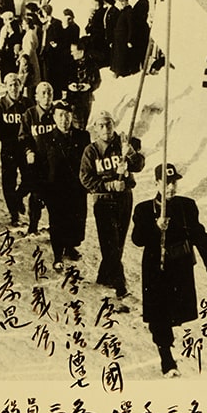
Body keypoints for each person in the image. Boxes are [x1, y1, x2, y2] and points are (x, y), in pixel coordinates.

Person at [131, 163, 207, 377]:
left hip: (180, 266)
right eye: (166, 182)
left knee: (175, 312)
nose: (171, 187)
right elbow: (137, 240)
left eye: (174, 182)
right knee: (158, 315)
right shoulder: (144, 209)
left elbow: (198, 233)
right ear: (156, 183)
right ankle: (166, 360)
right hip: (156, 269)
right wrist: (156, 226)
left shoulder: (186, 206)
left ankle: (167, 343)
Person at [79, 110, 145, 301]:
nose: (105, 128)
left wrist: (131, 154)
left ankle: (104, 277)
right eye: (101, 125)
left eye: (108, 124)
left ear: (114, 125)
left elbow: (139, 166)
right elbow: (85, 178)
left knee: (118, 242)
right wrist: (107, 185)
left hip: (124, 198)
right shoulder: (91, 151)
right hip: (103, 201)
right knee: (110, 244)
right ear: (95, 129)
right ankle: (120, 287)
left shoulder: (124, 144)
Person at [34, 99, 90, 270]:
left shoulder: (83, 136)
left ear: (72, 116)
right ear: (54, 118)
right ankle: (58, 254)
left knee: (77, 220)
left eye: (67, 115)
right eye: (60, 116)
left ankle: (70, 246)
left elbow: (89, 162)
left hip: (77, 188)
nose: (64, 120)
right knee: (57, 221)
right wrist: (40, 191)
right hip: (55, 188)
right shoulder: (45, 139)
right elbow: (40, 167)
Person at [0, 73, 31, 225]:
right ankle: (14, 213)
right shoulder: (0, 105)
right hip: (9, 149)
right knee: (9, 182)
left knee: (30, 178)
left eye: (16, 84)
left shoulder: (27, 104)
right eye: (10, 85)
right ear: (6, 88)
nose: (14, 88)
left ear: (21, 86)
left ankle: (18, 197)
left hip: (25, 148)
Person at [18, 81, 57, 234]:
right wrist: (29, 151)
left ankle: (55, 228)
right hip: (37, 161)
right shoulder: (30, 114)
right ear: (36, 97)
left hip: (55, 162)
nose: (47, 97)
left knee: (55, 196)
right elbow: (23, 136)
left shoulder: (58, 113)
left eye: (49, 93)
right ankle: (33, 225)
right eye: (43, 93)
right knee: (36, 194)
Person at [65, 37, 101, 130]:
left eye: (73, 51)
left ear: (81, 51)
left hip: (85, 99)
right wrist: (69, 85)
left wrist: (89, 86)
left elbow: (97, 80)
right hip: (72, 98)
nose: (71, 53)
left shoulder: (91, 64)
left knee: (82, 125)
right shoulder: (70, 63)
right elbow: (65, 78)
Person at [111, 0, 134, 78]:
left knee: (122, 56)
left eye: (123, 1)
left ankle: (122, 73)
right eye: (121, 1)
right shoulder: (123, 11)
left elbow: (131, 27)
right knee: (118, 56)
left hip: (123, 39)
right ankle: (118, 72)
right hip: (119, 39)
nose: (122, 2)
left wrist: (129, 40)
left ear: (127, 1)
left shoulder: (129, 12)